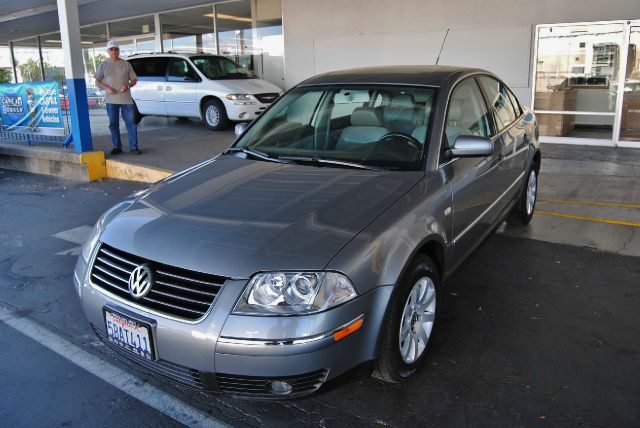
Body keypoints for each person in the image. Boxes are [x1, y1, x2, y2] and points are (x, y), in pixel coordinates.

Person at [94, 40, 140, 155]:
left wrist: (128, 85)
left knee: (131, 123)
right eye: (111, 49)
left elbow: (134, 80)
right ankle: (116, 146)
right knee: (113, 123)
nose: (114, 51)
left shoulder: (126, 64)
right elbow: (97, 81)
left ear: (119, 50)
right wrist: (106, 88)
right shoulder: (103, 65)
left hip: (126, 100)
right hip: (111, 100)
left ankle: (133, 147)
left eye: (116, 49)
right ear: (108, 51)